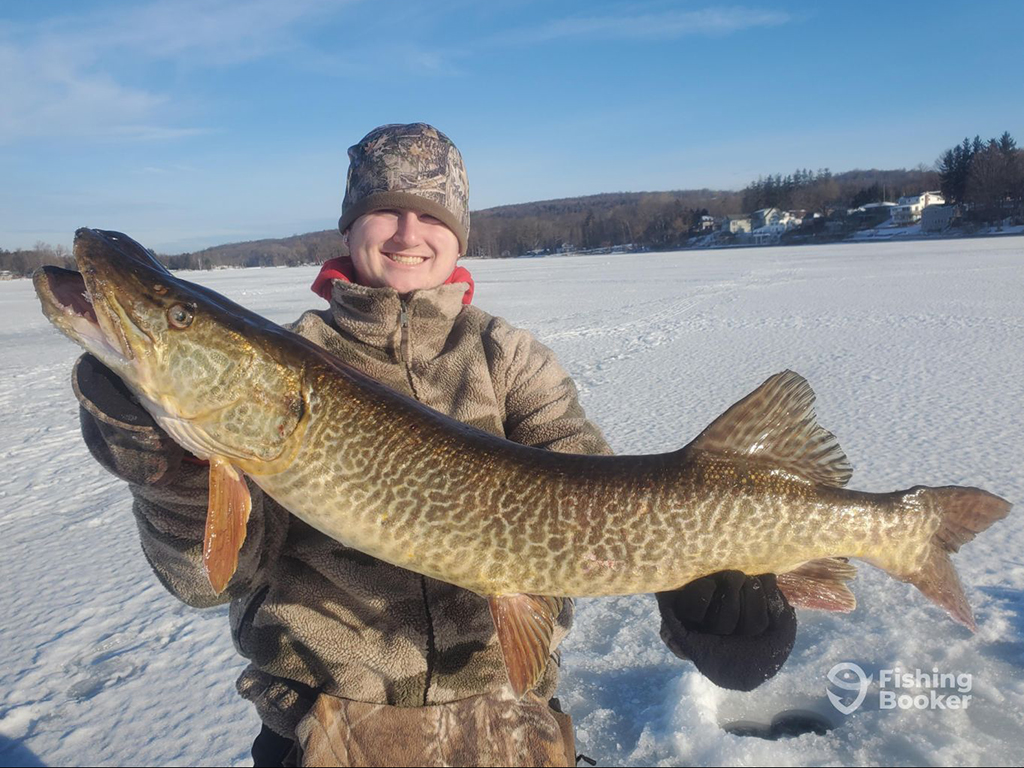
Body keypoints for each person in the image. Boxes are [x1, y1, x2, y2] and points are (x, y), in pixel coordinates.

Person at [72, 123, 797, 767]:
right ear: (349, 225)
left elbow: (595, 490)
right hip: (320, 732)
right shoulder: (290, 365)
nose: (407, 233)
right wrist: (167, 471)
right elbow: (211, 581)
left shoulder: (509, 360)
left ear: (460, 234)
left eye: (432, 215)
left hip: (510, 729)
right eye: (384, 209)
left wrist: (708, 602)